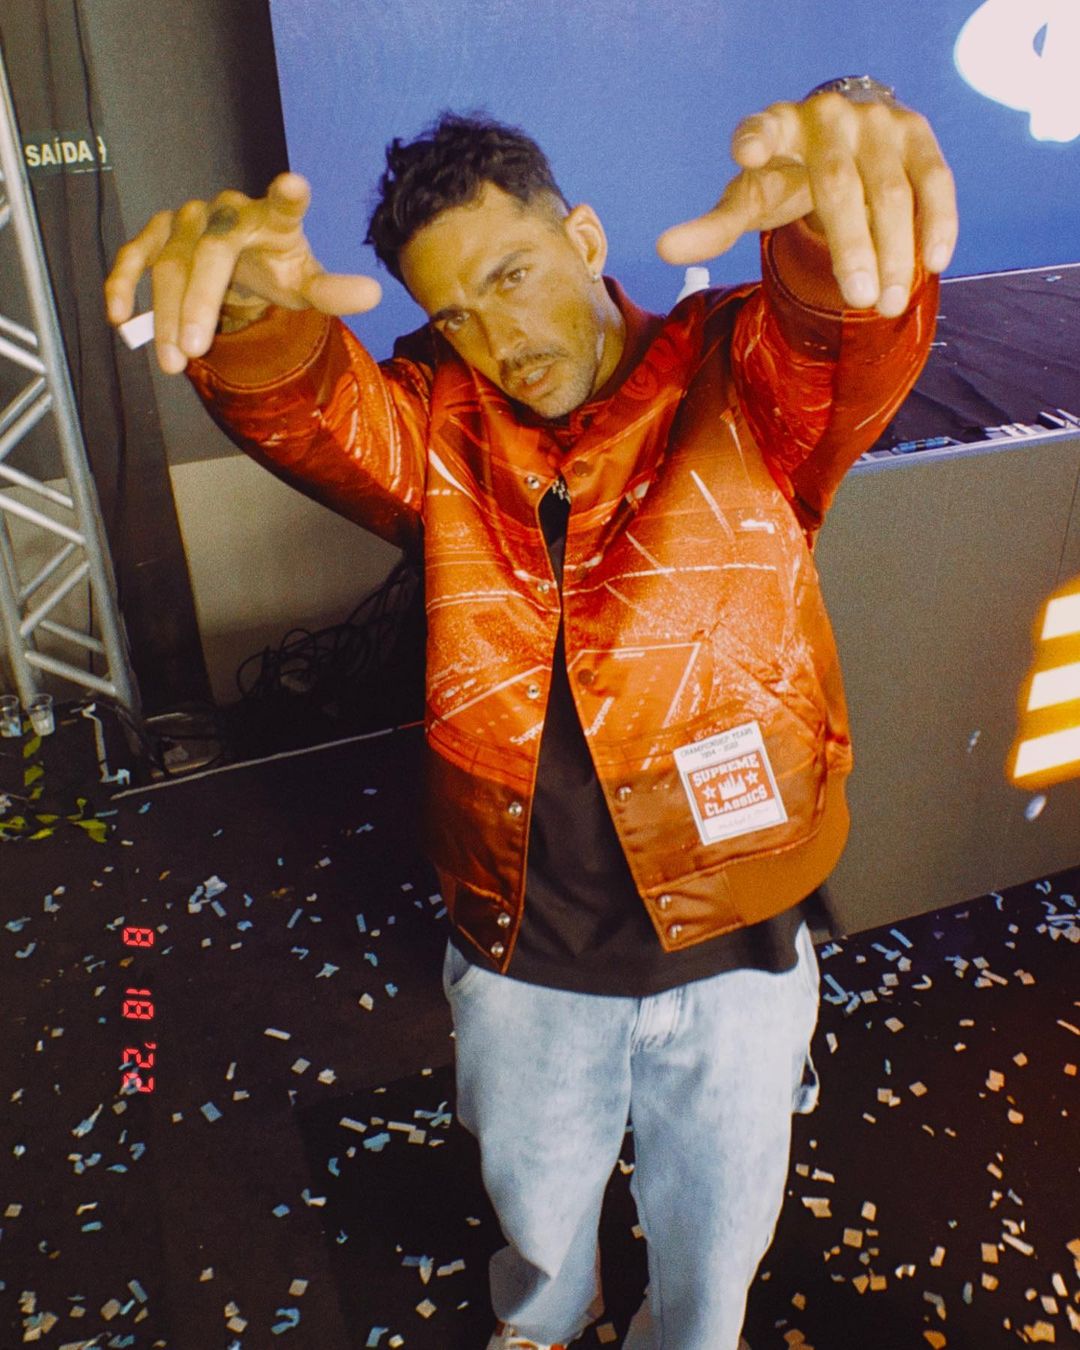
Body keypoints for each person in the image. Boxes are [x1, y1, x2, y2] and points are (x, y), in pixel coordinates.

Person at [106, 79, 957, 1350]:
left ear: (585, 237)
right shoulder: (437, 426)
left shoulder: (735, 378)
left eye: (511, 276)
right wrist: (246, 318)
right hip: (521, 948)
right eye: (453, 312)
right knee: (537, 1209)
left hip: (737, 940)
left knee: (719, 1240)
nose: (498, 338)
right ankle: (548, 1324)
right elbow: (315, 414)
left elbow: (837, 344)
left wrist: (835, 238)